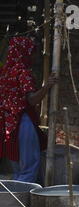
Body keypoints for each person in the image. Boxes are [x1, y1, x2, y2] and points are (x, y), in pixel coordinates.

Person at [0, 36, 58, 183]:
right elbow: (31, 100)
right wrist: (47, 86)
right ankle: (22, 201)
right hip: (22, 121)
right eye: (32, 53)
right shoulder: (23, 73)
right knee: (29, 167)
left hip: (8, 124)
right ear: (24, 53)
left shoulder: (5, 73)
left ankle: (13, 199)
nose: (34, 57)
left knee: (18, 167)